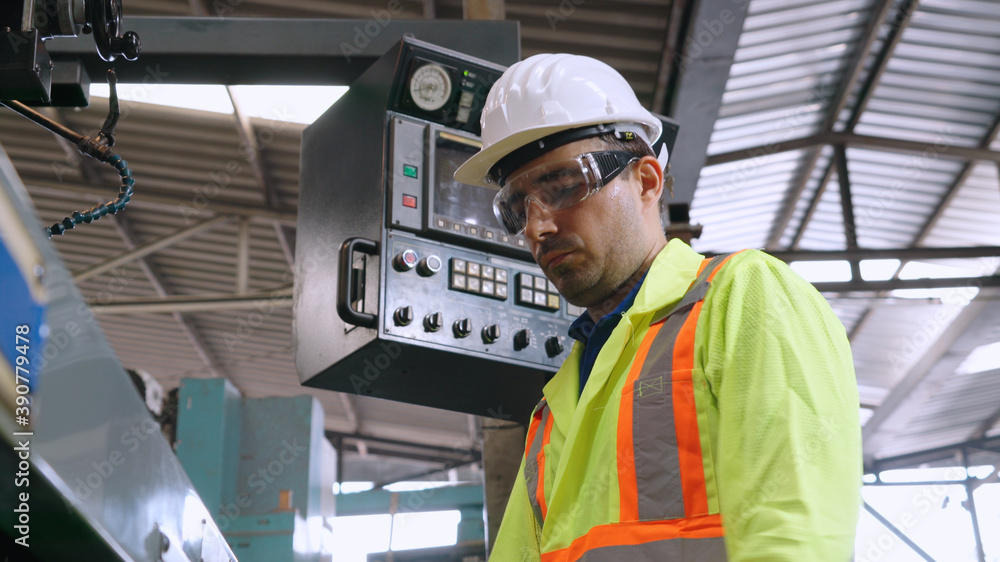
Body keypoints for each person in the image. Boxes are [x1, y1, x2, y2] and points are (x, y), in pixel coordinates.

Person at [454, 53, 862, 561]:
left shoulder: (740, 296)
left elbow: (795, 536)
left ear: (646, 181)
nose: (538, 228)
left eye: (563, 187)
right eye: (518, 208)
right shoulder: (556, 405)